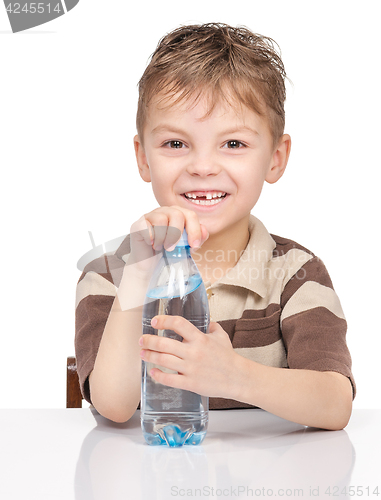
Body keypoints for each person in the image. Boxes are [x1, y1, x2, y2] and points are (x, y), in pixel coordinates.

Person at [75, 23, 355, 430]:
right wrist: (137, 275)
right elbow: (114, 407)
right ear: (143, 158)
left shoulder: (295, 272)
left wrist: (235, 375)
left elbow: (334, 405)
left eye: (233, 144)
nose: (203, 167)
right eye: (176, 143)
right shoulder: (108, 275)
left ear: (276, 158)